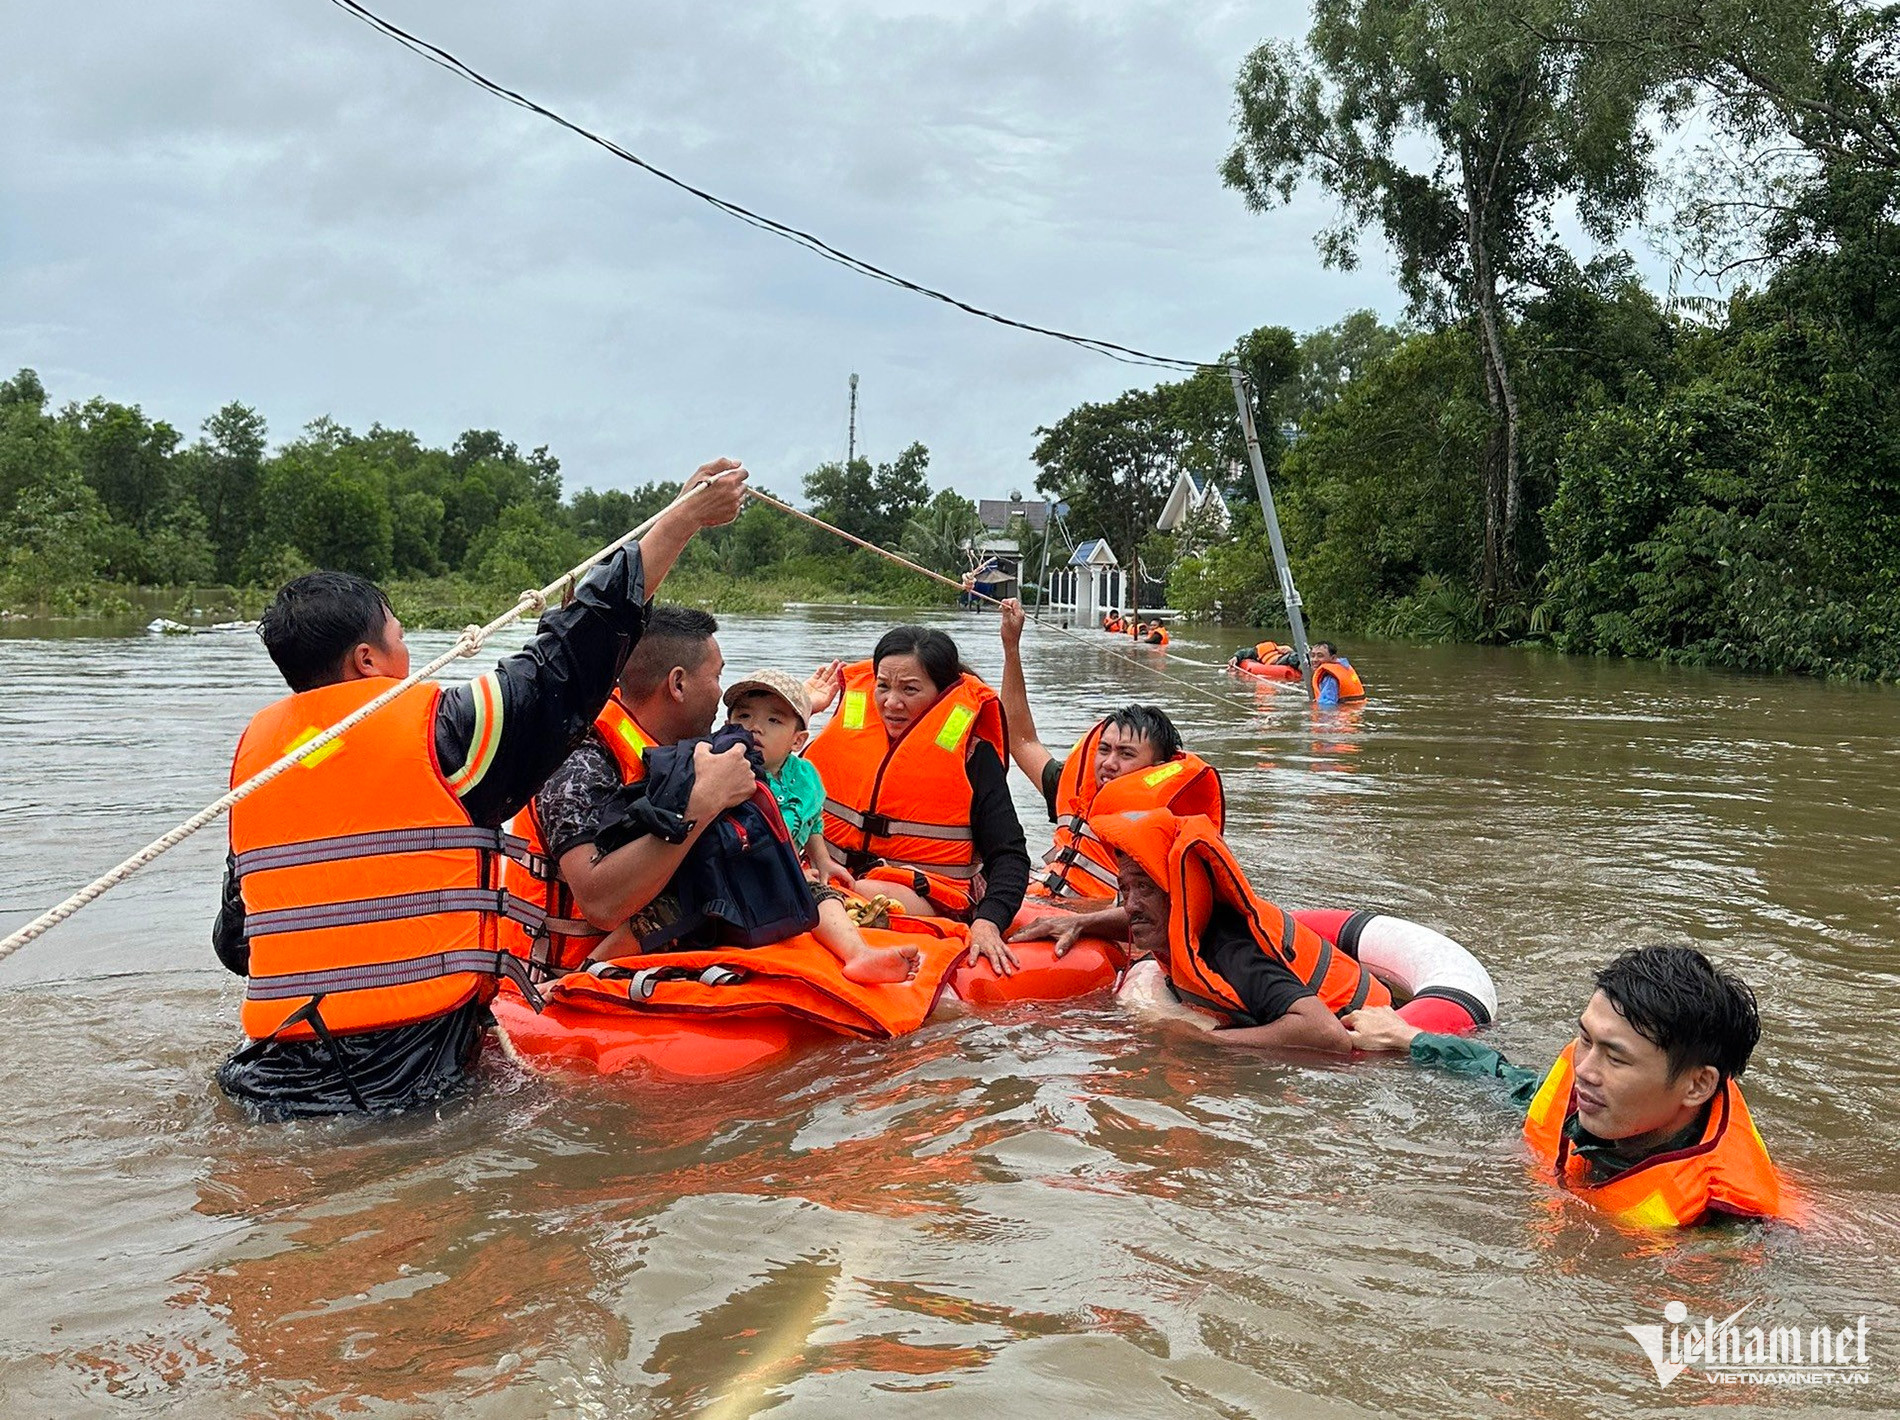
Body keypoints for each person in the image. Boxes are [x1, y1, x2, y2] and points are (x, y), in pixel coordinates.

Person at [212, 458, 749, 1119]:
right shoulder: (444, 733)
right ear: (368, 661)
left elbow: (237, 945)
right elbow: (568, 657)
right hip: (402, 1089)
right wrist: (681, 521)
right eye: (402, 638)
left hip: (262, 1083)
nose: (410, 656)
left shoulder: (256, 765)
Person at [1344, 946, 1790, 1227]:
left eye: (1616, 1057)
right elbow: (1511, 1083)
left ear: (1697, 1086)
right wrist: (1413, 1039)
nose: (1585, 1071)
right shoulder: (1596, 1094)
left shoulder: (1724, 1225)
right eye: (1585, 1040)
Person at [803, 625, 1030, 975]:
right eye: (882, 686)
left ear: (941, 693)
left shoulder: (972, 755)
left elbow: (1010, 855)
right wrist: (803, 712)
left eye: (910, 690)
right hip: (830, 874)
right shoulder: (845, 732)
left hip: (923, 892)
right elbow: (771, 787)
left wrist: (990, 920)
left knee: (861, 890)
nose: (892, 703)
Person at [1088, 808, 1392, 1053]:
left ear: (1181, 891)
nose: (1130, 905)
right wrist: (1079, 923)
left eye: (1144, 886)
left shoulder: (1233, 952)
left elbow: (1327, 1033)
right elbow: (1151, 917)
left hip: (1373, 1032)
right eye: (1124, 889)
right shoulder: (1190, 923)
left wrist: (1206, 1041)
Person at [995, 597, 1222, 923]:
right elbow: (1019, 738)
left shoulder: (1170, 829)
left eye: (1126, 754)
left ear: (1158, 768)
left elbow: (1169, 913)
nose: (1109, 763)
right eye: (1104, 750)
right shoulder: (1070, 787)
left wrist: (1079, 922)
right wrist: (1011, 646)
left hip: (1090, 930)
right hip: (1039, 901)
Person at [721, 670, 919, 983]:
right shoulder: (727, 772)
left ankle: (859, 954)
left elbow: (813, 820)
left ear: (797, 741)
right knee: (807, 888)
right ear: (728, 725)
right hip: (734, 878)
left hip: (788, 876)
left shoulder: (806, 776)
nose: (755, 727)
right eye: (744, 716)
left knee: (824, 897)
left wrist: (822, 859)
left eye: (774, 721)